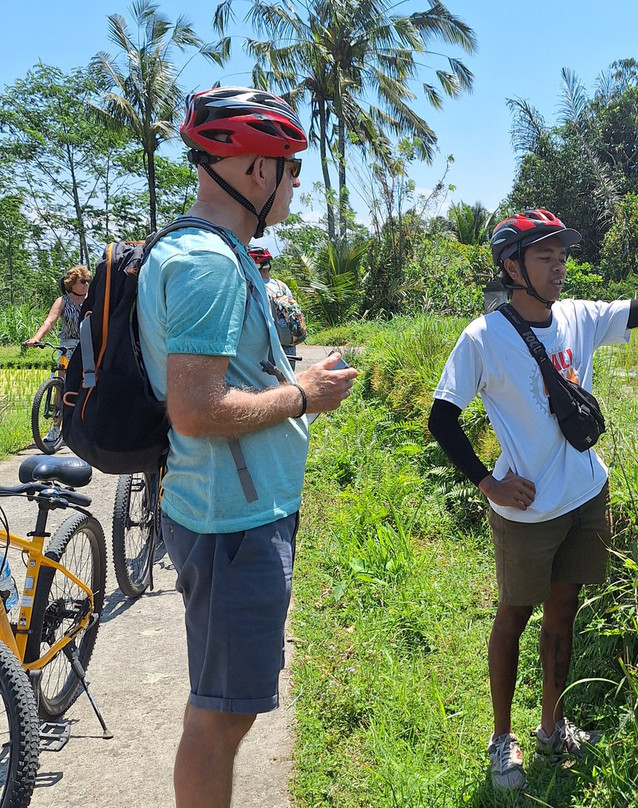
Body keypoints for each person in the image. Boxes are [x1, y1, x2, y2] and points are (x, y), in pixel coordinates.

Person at [428, 199, 638, 791]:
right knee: (514, 616)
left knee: (564, 611)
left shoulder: (579, 316)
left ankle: (553, 726)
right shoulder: (483, 339)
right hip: (526, 513)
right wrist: (487, 481)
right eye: (545, 256)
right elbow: (442, 418)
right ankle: (503, 740)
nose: (559, 267)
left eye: (561, 255)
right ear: (512, 267)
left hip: (585, 496)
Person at [136, 86, 357, 808]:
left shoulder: (216, 251)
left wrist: (290, 380)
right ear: (256, 171)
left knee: (225, 707)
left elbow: (221, 380)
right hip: (231, 522)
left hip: (236, 512)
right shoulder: (206, 263)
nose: (295, 182)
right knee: (220, 717)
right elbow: (196, 410)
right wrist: (302, 396)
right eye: (291, 167)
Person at [248, 246, 307, 363]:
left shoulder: (252, 287)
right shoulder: (281, 286)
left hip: (267, 346)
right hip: (288, 344)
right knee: (289, 380)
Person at [25, 264, 91, 356]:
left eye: (88, 281)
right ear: (72, 284)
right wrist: (37, 338)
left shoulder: (93, 300)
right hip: (68, 345)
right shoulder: (62, 301)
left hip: (89, 344)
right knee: (63, 368)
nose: (87, 284)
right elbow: (49, 322)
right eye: (83, 281)